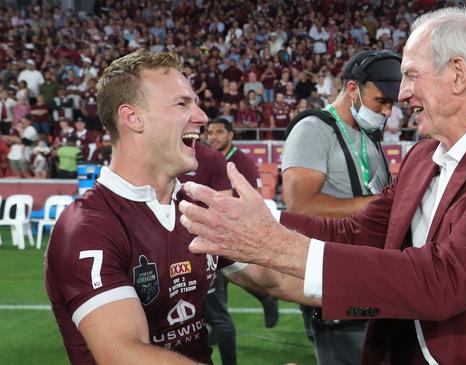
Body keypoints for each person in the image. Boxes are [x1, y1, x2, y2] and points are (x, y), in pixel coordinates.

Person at [179, 8, 466, 365]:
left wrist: (280, 247)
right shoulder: (425, 155)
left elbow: (447, 280)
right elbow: (360, 232)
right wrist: (265, 219)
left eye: (410, 75)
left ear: (458, 74)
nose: (402, 94)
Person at [45, 49, 313, 365]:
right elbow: (124, 355)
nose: (201, 116)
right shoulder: (87, 229)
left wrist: (374, 292)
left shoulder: (197, 209)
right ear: (133, 118)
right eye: (182, 103)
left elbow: (275, 280)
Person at [281, 48, 399, 365]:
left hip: (370, 278)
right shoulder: (313, 129)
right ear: (351, 89)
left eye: (391, 103)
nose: (387, 111)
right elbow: (301, 207)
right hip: (337, 287)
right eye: (381, 101)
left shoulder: (368, 136)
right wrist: (381, 205)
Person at [198, 118, 280, 365]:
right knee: (220, 285)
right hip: (208, 232)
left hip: (232, 233)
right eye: (210, 132)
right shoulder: (205, 159)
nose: (213, 136)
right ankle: (263, 300)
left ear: (231, 135)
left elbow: (253, 199)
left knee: (220, 288)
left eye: (219, 132)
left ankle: (263, 300)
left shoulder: (242, 162)